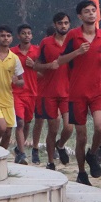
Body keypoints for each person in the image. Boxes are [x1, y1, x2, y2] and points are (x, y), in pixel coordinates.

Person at [53, 0, 101, 185]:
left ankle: (92, 154)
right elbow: (61, 60)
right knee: (81, 135)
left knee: (100, 127)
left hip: (98, 90)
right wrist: (77, 52)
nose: (91, 14)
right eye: (87, 11)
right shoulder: (73, 35)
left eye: (94, 10)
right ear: (80, 16)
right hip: (77, 92)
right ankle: (81, 172)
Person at [35, 13, 73, 170]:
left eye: (66, 23)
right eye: (60, 23)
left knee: (69, 127)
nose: (63, 26)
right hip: (49, 92)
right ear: (55, 24)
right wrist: (48, 66)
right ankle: (50, 162)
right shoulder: (46, 43)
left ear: (69, 24)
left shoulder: (73, 43)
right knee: (53, 129)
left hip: (68, 92)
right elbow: (36, 66)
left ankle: (61, 145)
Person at [11, 24, 40, 164]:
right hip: (17, 92)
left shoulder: (37, 51)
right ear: (18, 36)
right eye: (23, 33)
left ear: (32, 35)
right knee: (20, 122)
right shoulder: (12, 52)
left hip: (32, 92)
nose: (26, 35)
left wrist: (34, 66)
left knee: (27, 123)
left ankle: (18, 148)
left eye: (29, 33)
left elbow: (44, 72)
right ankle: (22, 154)